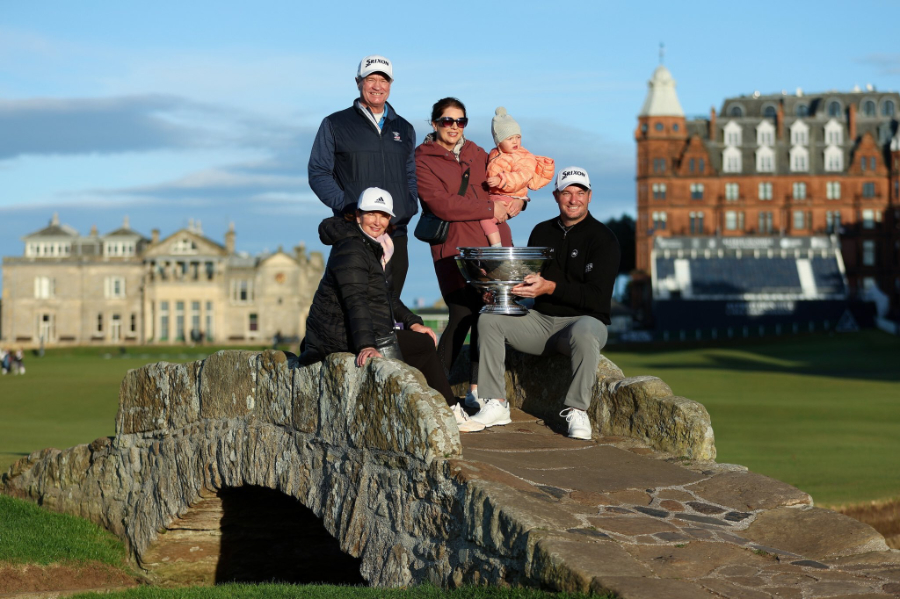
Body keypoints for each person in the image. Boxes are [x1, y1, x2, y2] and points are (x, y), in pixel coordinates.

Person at [301, 187, 483, 432]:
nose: (378, 221)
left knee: (420, 339)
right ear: (358, 215)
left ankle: (437, 408)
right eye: (371, 214)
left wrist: (413, 321)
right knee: (423, 347)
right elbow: (355, 301)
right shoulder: (352, 249)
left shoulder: (369, 245)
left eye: (384, 215)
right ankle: (449, 410)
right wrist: (366, 344)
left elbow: (383, 297)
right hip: (337, 335)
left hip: (349, 328)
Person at [470, 167, 621, 439]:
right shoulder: (542, 231)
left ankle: (577, 410)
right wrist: (502, 290)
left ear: (589, 196)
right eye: (566, 192)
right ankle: (496, 403)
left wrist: (550, 287)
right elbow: (530, 282)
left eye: (580, 192)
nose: (573, 199)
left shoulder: (604, 238)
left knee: (585, 332)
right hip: (540, 323)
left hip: (582, 324)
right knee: (489, 318)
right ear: (555, 196)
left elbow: (597, 298)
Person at [415, 98, 526, 409]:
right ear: (434, 123)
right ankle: (435, 391)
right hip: (453, 246)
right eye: (447, 121)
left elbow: (505, 184)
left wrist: (520, 202)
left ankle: (479, 390)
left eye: (460, 121)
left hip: (494, 244)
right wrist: (491, 207)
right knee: (462, 312)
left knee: (488, 314)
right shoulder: (422, 159)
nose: (453, 127)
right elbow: (442, 204)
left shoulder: (479, 153)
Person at [308, 55, 417, 302]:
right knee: (356, 304)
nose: (377, 86)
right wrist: (349, 207)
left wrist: (408, 206)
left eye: (383, 79)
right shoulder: (335, 123)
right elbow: (318, 172)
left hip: (395, 230)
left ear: (391, 84)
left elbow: (410, 174)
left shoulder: (405, 128)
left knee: (390, 306)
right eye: (371, 79)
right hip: (354, 231)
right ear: (358, 82)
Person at [482, 107, 554, 247]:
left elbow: (522, 176)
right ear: (499, 141)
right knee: (479, 213)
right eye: (510, 138)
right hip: (497, 196)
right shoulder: (494, 153)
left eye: (518, 137)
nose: (515, 142)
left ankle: (496, 249)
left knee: (486, 217)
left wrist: (501, 180)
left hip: (510, 197)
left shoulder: (523, 156)